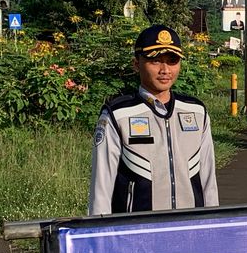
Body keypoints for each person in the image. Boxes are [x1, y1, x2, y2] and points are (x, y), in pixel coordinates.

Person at [89, 25, 219, 215]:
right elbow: (101, 187)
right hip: (138, 234)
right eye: (155, 61)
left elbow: (209, 180)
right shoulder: (118, 115)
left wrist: (214, 224)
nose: (165, 70)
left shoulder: (196, 111)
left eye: (172, 61)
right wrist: (100, 237)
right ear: (136, 64)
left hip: (190, 230)